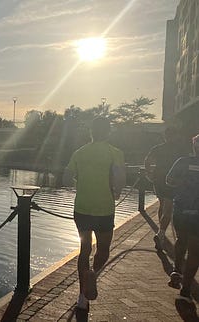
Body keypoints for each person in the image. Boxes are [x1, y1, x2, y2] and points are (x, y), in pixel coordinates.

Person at [63, 117, 126, 312]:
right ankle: (94, 275)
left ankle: (82, 296)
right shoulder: (115, 153)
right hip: (105, 209)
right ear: (108, 132)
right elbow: (120, 180)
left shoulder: (79, 152)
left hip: (81, 208)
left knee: (84, 250)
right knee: (104, 249)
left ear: (91, 132)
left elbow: (66, 178)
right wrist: (116, 193)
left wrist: (80, 185)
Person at [166, 134, 199, 303]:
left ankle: (177, 270)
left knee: (181, 240)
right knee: (195, 251)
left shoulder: (182, 162)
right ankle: (185, 291)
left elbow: (169, 181)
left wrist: (183, 183)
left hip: (180, 209)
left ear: (194, 147)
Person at [144, 127, 184, 248]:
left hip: (158, 180)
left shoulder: (158, 148)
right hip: (171, 181)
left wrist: (149, 174)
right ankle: (161, 234)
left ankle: (161, 230)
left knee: (162, 205)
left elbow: (147, 160)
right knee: (168, 208)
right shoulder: (180, 149)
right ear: (175, 135)